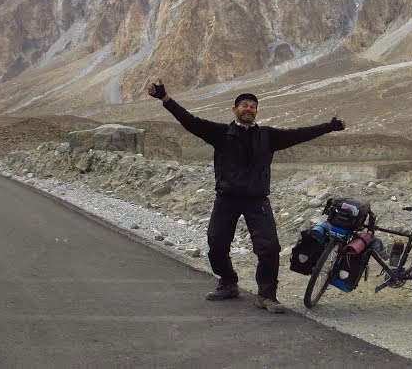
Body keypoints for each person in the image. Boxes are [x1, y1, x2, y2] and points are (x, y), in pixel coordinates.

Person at [147, 79, 345, 313]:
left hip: (257, 200)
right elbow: (190, 121)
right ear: (235, 110)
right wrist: (165, 98)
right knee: (217, 245)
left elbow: (300, 134)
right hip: (226, 199)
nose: (248, 108)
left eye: (252, 105)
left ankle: (267, 295)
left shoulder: (268, 136)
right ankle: (228, 282)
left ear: (256, 111)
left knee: (269, 247)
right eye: (244, 105)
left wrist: (329, 126)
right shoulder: (220, 133)